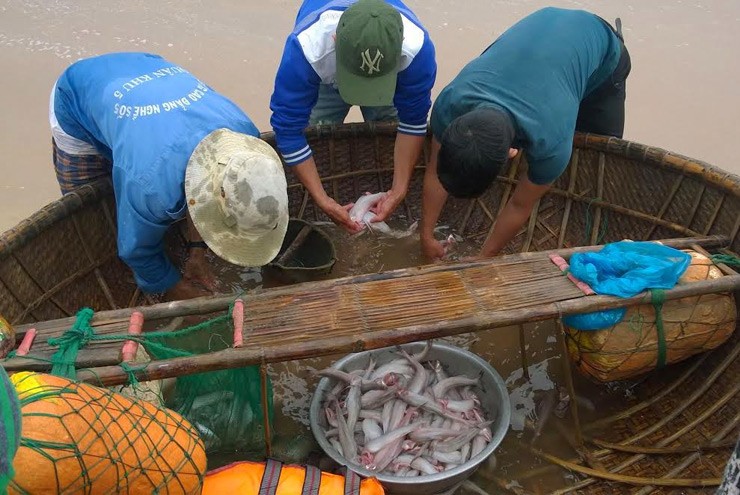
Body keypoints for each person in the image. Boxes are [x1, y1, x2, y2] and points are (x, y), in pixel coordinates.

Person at [50, 52, 290, 301]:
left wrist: (196, 251)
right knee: (95, 219)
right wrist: (174, 288)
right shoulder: (151, 185)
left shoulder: (248, 141)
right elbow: (136, 251)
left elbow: (206, 192)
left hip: (148, 69)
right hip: (78, 93)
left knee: (140, 189)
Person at [420, 7, 631, 260]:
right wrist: (426, 236)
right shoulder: (449, 104)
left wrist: (484, 258)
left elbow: (521, 204)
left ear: (510, 154)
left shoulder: (550, 137)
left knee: (598, 156)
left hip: (602, 54)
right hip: (543, 32)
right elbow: (435, 170)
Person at [269, 0, 436, 233]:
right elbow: (288, 129)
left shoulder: (417, 50)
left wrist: (399, 189)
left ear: (401, 46)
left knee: (389, 129)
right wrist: (322, 198)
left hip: (392, 74)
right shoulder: (307, 49)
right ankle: (319, 198)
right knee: (316, 132)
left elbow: (413, 121)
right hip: (326, 74)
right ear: (335, 40)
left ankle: (388, 195)